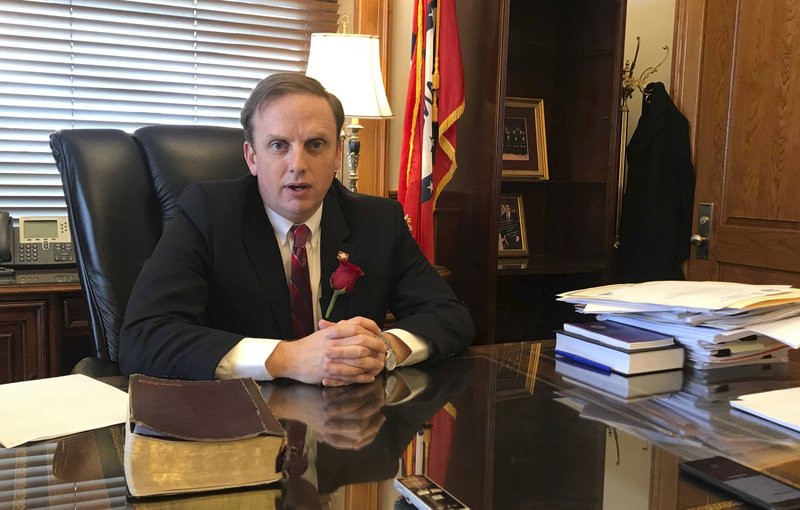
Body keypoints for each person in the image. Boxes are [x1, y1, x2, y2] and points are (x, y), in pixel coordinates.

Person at [118, 72, 474, 386]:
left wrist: (385, 348)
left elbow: (450, 315)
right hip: (237, 430)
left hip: (348, 432)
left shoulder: (378, 220)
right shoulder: (208, 213)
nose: (298, 165)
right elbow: (143, 338)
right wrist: (287, 359)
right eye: (278, 146)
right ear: (252, 157)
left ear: (337, 156)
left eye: (315, 145)